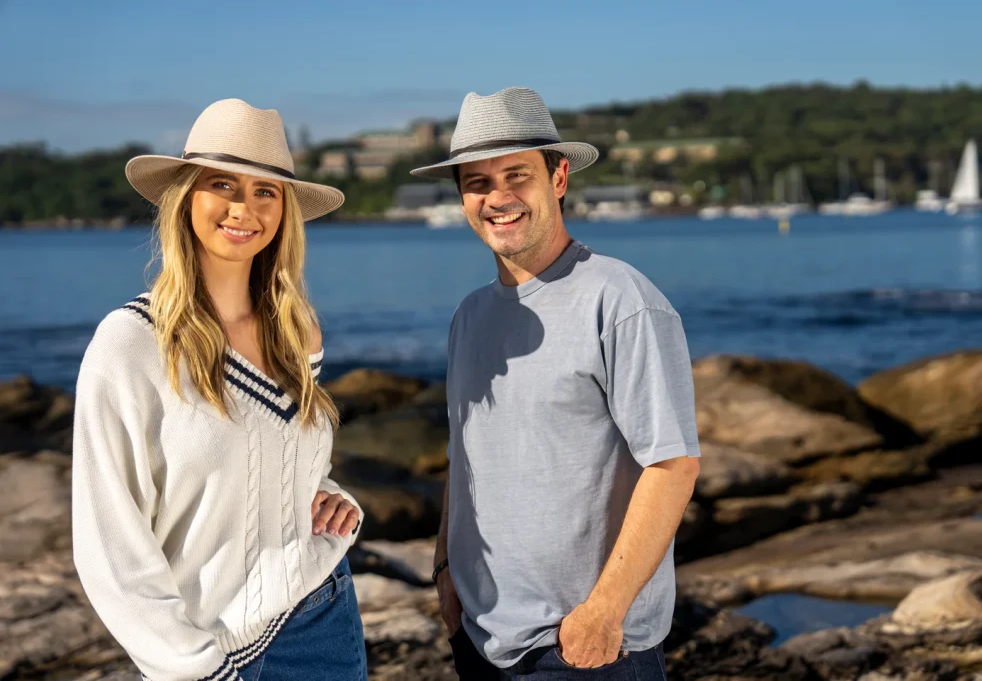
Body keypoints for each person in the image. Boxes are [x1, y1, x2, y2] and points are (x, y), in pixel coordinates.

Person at [72, 99, 368, 681]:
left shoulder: (297, 331)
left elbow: (278, 455)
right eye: (223, 184)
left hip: (324, 619)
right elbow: (108, 541)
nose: (244, 208)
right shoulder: (131, 342)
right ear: (187, 198)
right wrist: (192, 668)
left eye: (265, 191)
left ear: (283, 211)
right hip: (209, 650)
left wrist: (329, 495)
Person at [412, 87, 702, 680]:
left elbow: (673, 465)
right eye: (477, 183)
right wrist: (444, 570)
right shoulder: (470, 316)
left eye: (516, 175)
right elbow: (464, 455)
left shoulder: (621, 300)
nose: (498, 198)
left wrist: (603, 612)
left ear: (559, 177)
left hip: (584, 648)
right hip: (480, 637)